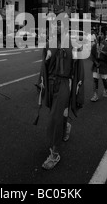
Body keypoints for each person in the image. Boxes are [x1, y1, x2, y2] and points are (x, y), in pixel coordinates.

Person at [36, 23, 84, 170]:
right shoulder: (49, 43)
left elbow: (79, 69)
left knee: (54, 118)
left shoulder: (74, 44)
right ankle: (66, 125)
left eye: (60, 24)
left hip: (64, 83)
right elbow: (44, 65)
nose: (56, 27)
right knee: (55, 112)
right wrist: (41, 82)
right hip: (51, 83)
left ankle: (55, 153)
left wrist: (77, 89)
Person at [90, 30, 107, 101]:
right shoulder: (94, 45)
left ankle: (106, 89)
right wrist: (95, 62)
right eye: (98, 34)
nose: (99, 35)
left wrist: (103, 52)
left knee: (104, 80)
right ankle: (95, 95)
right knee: (95, 80)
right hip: (96, 64)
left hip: (103, 65)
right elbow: (92, 55)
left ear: (104, 35)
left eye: (101, 34)